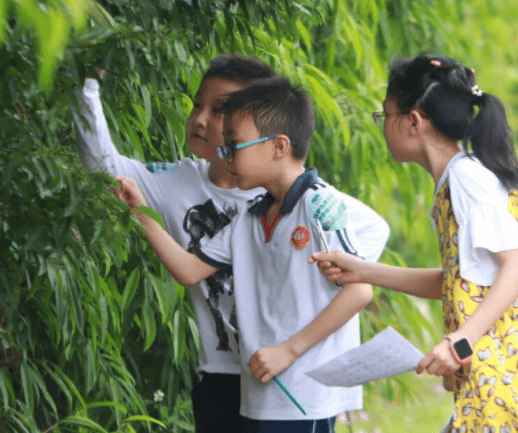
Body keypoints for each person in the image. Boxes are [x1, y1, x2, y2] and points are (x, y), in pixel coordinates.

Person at [310, 55, 518, 433]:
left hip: (515, 375)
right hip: (505, 373)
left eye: (385, 116)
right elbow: (461, 281)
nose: (382, 126)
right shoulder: (457, 178)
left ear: (414, 121)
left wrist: (459, 343)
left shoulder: (466, 179)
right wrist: (363, 270)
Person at [114, 76, 390, 432]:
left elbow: (359, 290)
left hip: (304, 398)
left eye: (235, 145)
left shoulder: (320, 207)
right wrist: (141, 214)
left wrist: (288, 350)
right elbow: (188, 269)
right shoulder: (250, 218)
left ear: (278, 146)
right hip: (259, 396)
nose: (225, 155)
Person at [72, 54, 276, 432]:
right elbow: (105, 167)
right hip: (220, 376)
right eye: (198, 104)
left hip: (282, 374)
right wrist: (87, 88)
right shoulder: (178, 181)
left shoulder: (281, 196)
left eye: (219, 111)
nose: (198, 119)